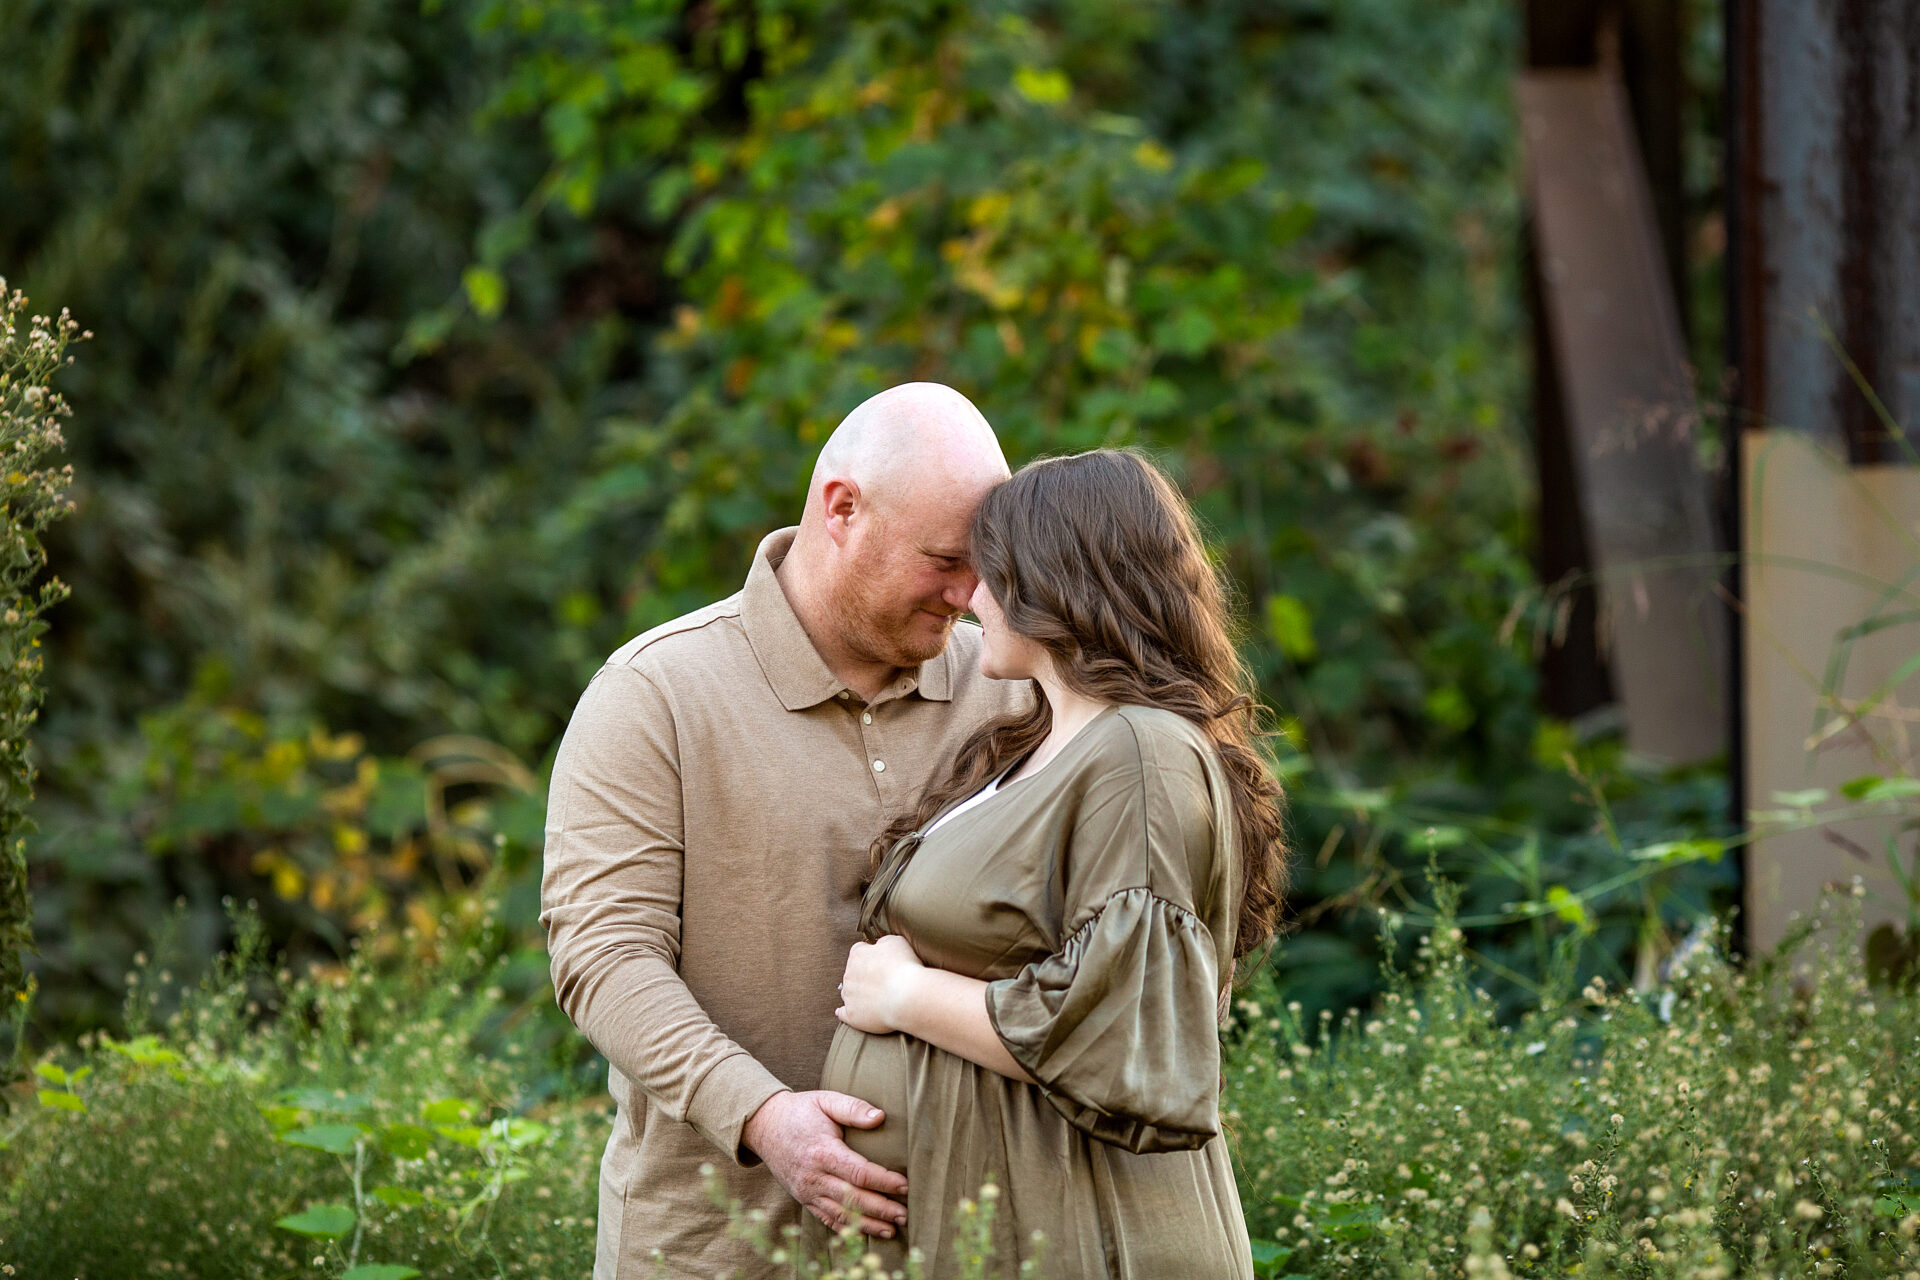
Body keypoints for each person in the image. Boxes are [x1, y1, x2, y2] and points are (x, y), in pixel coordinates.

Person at [539, 383, 1029, 1279]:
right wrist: (765, 1118)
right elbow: (604, 955)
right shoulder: (654, 695)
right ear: (842, 511)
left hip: (964, 1249)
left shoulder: (1012, 688)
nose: (973, 595)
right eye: (946, 560)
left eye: (985, 565)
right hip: (714, 1249)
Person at [823, 449, 1289, 1277]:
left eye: (990, 572)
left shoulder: (1142, 753)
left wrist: (906, 993)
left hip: (1084, 1229)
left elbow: (1130, 1040)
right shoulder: (1031, 744)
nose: (969, 599)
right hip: (1000, 1219)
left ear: (1057, 580)